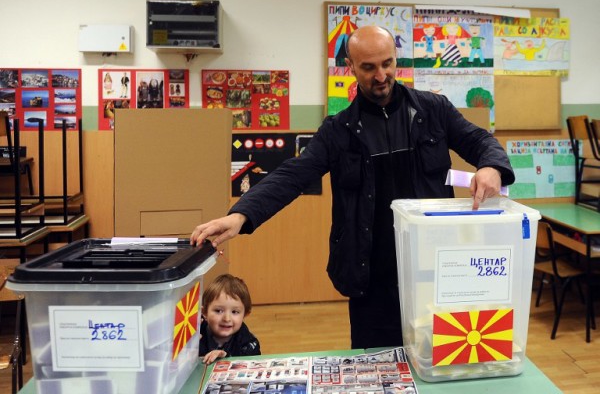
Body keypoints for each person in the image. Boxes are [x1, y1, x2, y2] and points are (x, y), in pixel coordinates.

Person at [190, 25, 515, 349]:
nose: (381, 75)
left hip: (434, 270)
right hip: (370, 277)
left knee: (442, 354)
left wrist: (491, 167)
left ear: (396, 60)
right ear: (351, 67)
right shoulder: (338, 131)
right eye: (369, 67)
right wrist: (240, 216)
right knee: (376, 364)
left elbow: (479, 140)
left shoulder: (433, 111)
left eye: (387, 63)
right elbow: (292, 176)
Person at [199, 274, 261, 364]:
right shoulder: (195, 333)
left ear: (245, 314)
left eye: (235, 312)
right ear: (204, 312)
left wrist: (225, 358)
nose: (227, 319)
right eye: (218, 311)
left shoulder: (248, 343)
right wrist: (189, 348)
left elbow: (253, 367)